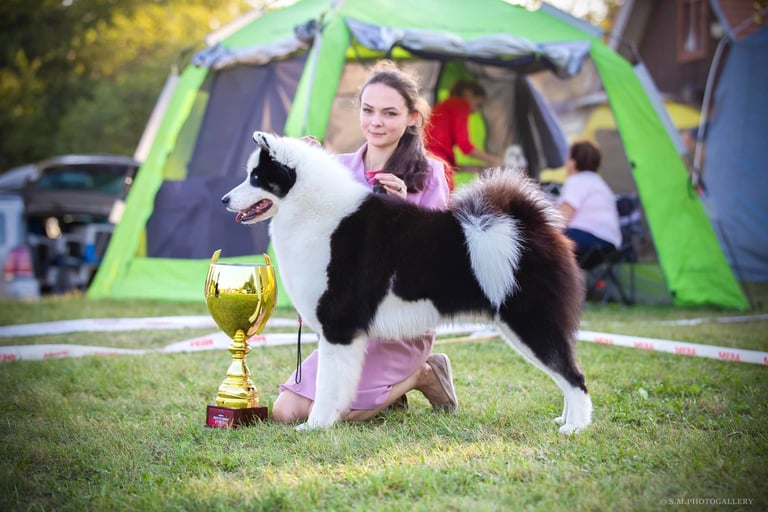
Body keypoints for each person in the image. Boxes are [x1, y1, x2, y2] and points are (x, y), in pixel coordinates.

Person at [271, 60, 456, 424]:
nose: (376, 122)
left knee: (344, 415)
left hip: (399, 322)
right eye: (368, 110)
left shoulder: (430, 174)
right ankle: (389, 390)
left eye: (389, 113)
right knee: (285, 411)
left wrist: (403, 210)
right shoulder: (335, 168)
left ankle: (423, 373)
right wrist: (298, 166)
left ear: (413, 118)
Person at [424, 79, 502, 191]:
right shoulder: (460, 103)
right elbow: (465, 146)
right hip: (437, 167)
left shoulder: (445, 106)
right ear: (468, 93)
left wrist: (471, 168)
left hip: (430, 164)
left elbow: (443, 158)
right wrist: (494, 160)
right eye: (478, 105)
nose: (475, 111)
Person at [557, 140, 621, 267]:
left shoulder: (577, 180)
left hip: (587, 239)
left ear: (572, 163)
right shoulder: (601, 184)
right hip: (610, 244)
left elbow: (561, 218)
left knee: (542, 243)